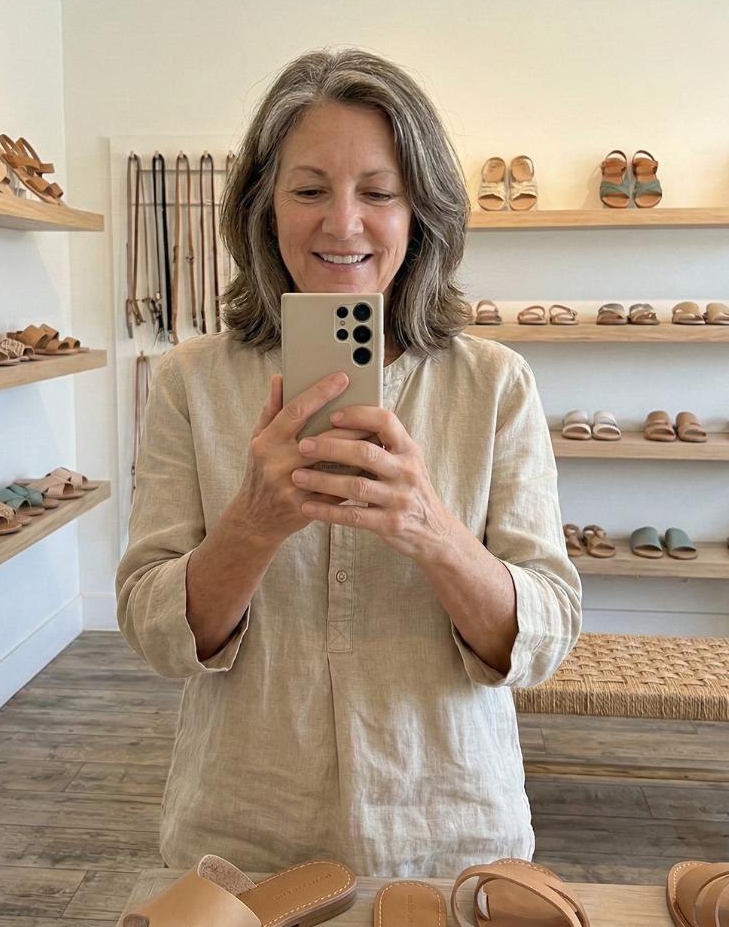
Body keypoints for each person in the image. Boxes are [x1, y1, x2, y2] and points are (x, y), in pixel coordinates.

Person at [116, 48, 581, 878]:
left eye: (377, 192)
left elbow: (545, 636)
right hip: (243, 836)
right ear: (262, 208)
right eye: (308, 191)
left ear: (420, 212)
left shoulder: (494, 385)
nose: (342, 224)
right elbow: (153, 632)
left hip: (448, 836)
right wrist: (251, 526)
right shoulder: (190, 382)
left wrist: (433, 530)